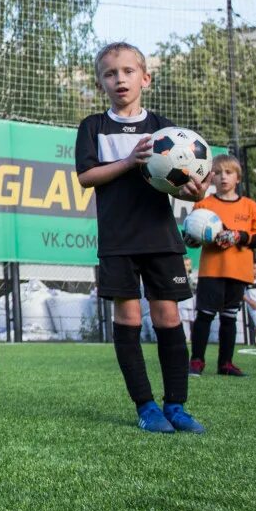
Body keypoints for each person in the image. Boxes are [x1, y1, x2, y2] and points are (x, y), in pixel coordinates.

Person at [74, 43, 209, 433]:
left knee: (168, 316)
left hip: (161, 238)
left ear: (145, 78)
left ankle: (177, 406)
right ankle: (146, 406)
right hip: (117, 239)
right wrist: (127, 162)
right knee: (129, 316)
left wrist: (194, 193)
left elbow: (182, 185)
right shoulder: (94, 127)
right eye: (111, 73)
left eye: (128, 71)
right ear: (101, 83)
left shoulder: (165, 130)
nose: (120, 79)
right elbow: (85, 177)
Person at [186, 154, 256, 377]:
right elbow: (192, 236)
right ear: (211, 177)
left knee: (229, 317)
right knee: (204, 315)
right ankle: (196, 361)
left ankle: (226, 363)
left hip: (238, 271)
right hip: (211, 270)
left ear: (238, 178)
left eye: (229, 173)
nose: (223, 177)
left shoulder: (250, 206)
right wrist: (192, 238)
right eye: (219, 173)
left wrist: (238, 236)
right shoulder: (204, 205)